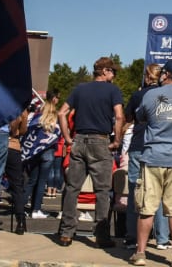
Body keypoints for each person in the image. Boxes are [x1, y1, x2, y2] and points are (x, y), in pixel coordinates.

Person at [127, 59, 172, 267]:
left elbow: (139, 118)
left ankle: (140, 253)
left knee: (147, 208)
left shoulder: (150, 95)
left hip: (152, 157)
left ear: (165, 75)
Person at [56, 56, 124, 248]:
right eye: (113, 71)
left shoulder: (79, 89)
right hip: (101, 141)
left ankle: (66, 233)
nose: (115, 75)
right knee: (102, 190)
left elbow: (61, 113)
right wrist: (117, 140)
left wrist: (68, 138)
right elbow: (119, 116)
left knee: (72, 188)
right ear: (104, 71)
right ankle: (101, 235)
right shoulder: (113, 91)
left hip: (79, 139)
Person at [124, 63, 171, 250]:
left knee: (135, 192)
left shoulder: (137, 96)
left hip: (137, 144)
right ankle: (162, 238)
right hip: (157, 146)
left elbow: (128, 119)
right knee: (158, 192)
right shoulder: (165, 97)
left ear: (146, 77)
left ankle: (131, 236)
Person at [23, 96, 61, 220]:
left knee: (31, 181)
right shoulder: (55, 123)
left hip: (34, 154)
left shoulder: (36, 121)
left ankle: (21, 206)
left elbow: (28, 135)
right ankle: (36, 209)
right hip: (48, 154)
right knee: (41, 182)